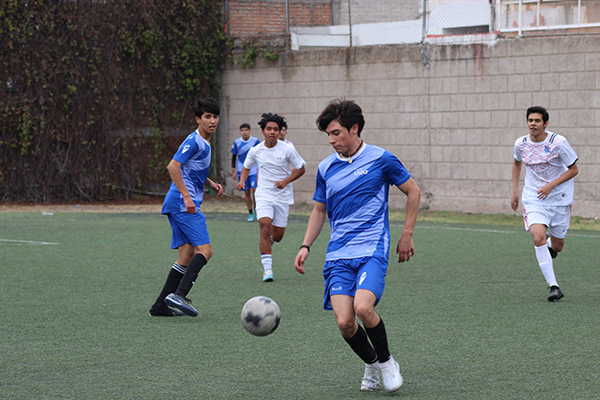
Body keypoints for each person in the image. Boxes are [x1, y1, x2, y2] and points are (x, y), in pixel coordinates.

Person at [294, 99, 421, 393]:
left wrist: (407, 233)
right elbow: (319, 210)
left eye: (336, 133)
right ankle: (372, 364)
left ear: (354, 128)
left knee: (363, 308)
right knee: (345, 323)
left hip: (372, 249)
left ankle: (387, 364)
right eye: (327, 134)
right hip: (338, 256)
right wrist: (305, 245)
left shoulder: (381, 159)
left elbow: (412, 191)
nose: (331, 140)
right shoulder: (326, 167)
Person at [148, 98, 224, 317]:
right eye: (207, 117)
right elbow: (173, 166)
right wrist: (187, 197)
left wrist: (209, 183)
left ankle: (160, 305)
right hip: (183, 204)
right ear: (198, 119)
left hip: (180, 203)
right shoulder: (194, 140)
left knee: (187, 254)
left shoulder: (205, 142)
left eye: (215, 116)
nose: (212, 121)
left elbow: (192, 169)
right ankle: (179, 295)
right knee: (206, 251)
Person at [511, 106, 578, 302]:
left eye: (537, 120)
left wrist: (551, 186)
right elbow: (516, 162)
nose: (533, 123)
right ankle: (554, 286)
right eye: (530, 120)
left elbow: (574, 169)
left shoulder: (559, 142)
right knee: (537, 236)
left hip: (559, 199)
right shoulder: (520, 144)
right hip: (533, 198)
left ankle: (550, 246)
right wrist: (515, 191)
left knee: (557, 246)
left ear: (545, 123)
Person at [236, 113, 306, 282]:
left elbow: (301, 168)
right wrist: (242, 181)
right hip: (263, 194)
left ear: (280, 131)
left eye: (276, 129)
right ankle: (267, 270)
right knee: (265, 226)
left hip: (282, 197)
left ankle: (270, 241)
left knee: (278, 236)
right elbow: (246, 167)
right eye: (269, 129)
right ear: (263, 131)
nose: (272, 132)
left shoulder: (287, 149)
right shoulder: (256, 150)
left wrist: (285, 181)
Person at [231, 123, 260, 221]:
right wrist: (233, 170)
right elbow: (234, 156)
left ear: (250, 131)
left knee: (254, 190)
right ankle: (250, 212)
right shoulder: (237, 142)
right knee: (246, 192)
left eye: (246, 130)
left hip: (253, 170)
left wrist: (259, 171)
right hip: (241, 170)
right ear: (240, 132)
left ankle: (257, 209)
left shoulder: (255, 141)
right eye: (242, 130)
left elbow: (260, 155)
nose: (244, 132)